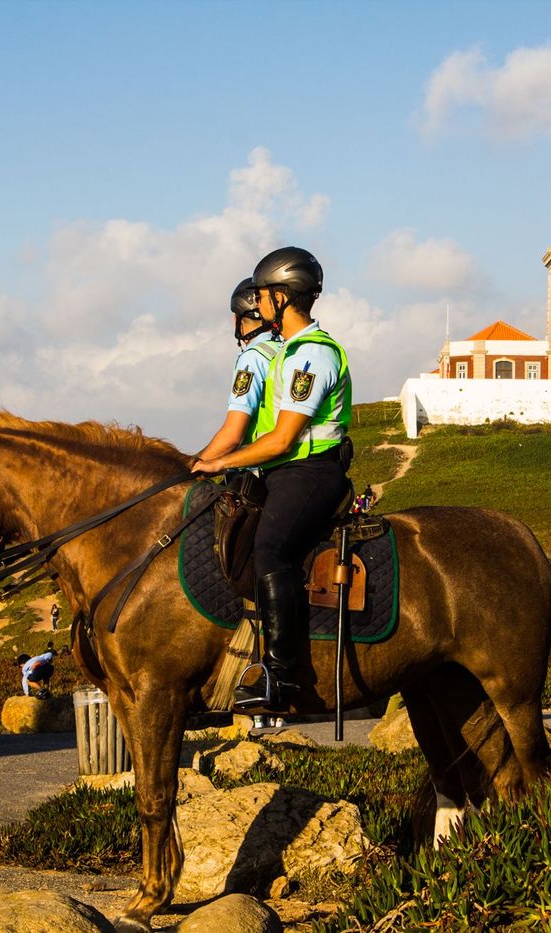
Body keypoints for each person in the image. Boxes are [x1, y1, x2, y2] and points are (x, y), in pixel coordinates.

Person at [192, 246, 351, 712]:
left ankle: (281, 676)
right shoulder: (287, 353)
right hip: (287, 472)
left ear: (282, 297)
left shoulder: (313, 355)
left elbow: (282, 440)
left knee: (271, 548)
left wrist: (220, 462)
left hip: (310, 471)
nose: (257, 303)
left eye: (262, 294)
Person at [193, 277, 282, 464]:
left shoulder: (253, 357)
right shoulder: (286, 348)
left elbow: (233, 435)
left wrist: (192, 465)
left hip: (258, 468)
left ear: (237, 319)